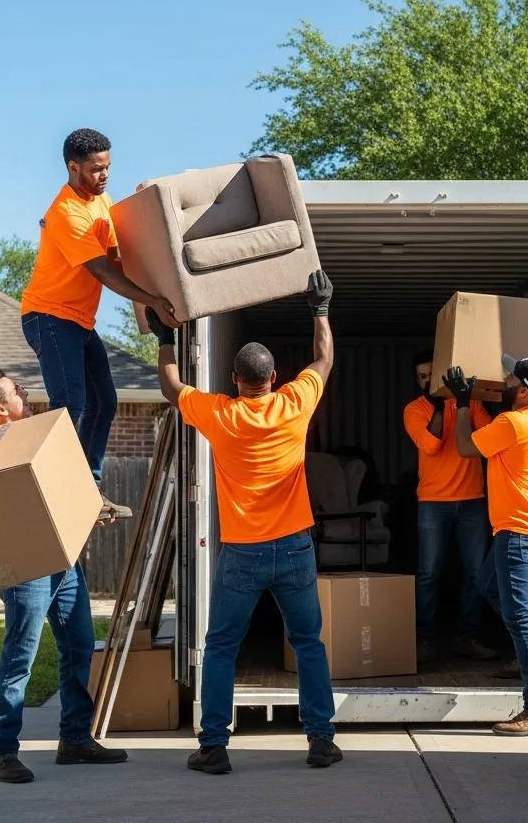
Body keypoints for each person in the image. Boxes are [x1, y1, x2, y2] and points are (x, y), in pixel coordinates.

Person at [148, 271, 342, 774]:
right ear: (274, 378)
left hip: (243, 553)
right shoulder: (295, 403)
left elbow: (172, 387)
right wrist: (320, 309)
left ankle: (214, 747)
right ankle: (321, 741)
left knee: (220, 648)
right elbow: (323, 359)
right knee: (308, 644)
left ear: (235, 380)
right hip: (294, 548)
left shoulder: (221, 415)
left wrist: (166, 339)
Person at [0, 370, 126, 784]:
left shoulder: (37, 440)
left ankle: (75, 738)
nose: (24, 391)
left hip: (62, 562)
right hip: (26, 569)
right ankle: (2, 751)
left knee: (79, 645)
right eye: (15, 390)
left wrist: (89, 508)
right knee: (20, 656)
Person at [20, 127, 178, 503]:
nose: (104, 175)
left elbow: (119, 257)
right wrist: (153, 300)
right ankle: (57, 485)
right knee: (70, 402)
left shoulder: (101, 201)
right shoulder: (66, 213)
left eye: (107, 167)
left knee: (104, 402)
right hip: (49, 316)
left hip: (78, 320)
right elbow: (104, 272)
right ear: (73, 167)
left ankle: (87, 483)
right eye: (95, 169)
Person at [445, 354, 528, 737]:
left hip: (518, 530)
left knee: (521, 618)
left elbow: (465, 447)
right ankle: (526, 650)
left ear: (523, 391)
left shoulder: (512, 423)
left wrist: (463, 404)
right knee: (489, 586)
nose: (504, 381)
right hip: (527, 525)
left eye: (510, 378)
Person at [403, 350, 497, 664]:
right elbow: (431, 445)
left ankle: (468, 637)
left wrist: (463, 403)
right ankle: (424, 639)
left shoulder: (468, 403)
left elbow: (490, 437)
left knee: (476, 573)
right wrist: (440, 406)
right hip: (433, 502)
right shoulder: (414, 410)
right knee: (429, 573)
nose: (427, 381)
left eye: (432, 374)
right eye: (421, 376)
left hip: (472, 500)